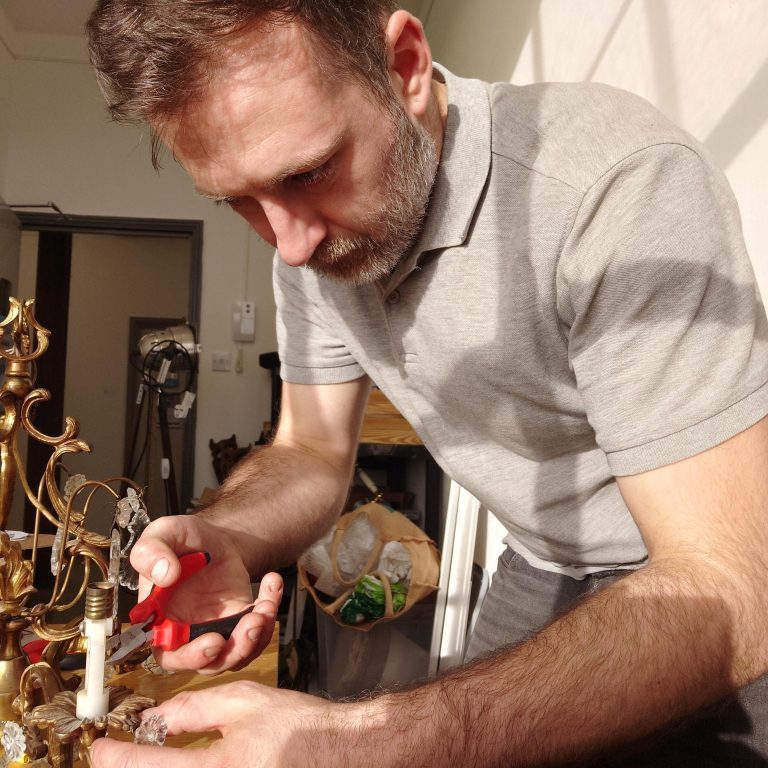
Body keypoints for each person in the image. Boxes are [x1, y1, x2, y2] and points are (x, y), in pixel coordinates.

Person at [86, 1, 768, 766]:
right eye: (239, 200)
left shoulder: (611, 186)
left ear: (404, 67)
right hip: (544, 560)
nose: (290, 242)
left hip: (706, 583)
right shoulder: (306, 238)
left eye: (309, 171)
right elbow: (310, 447)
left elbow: (734, 584)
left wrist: (351, 745)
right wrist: (232, 534)